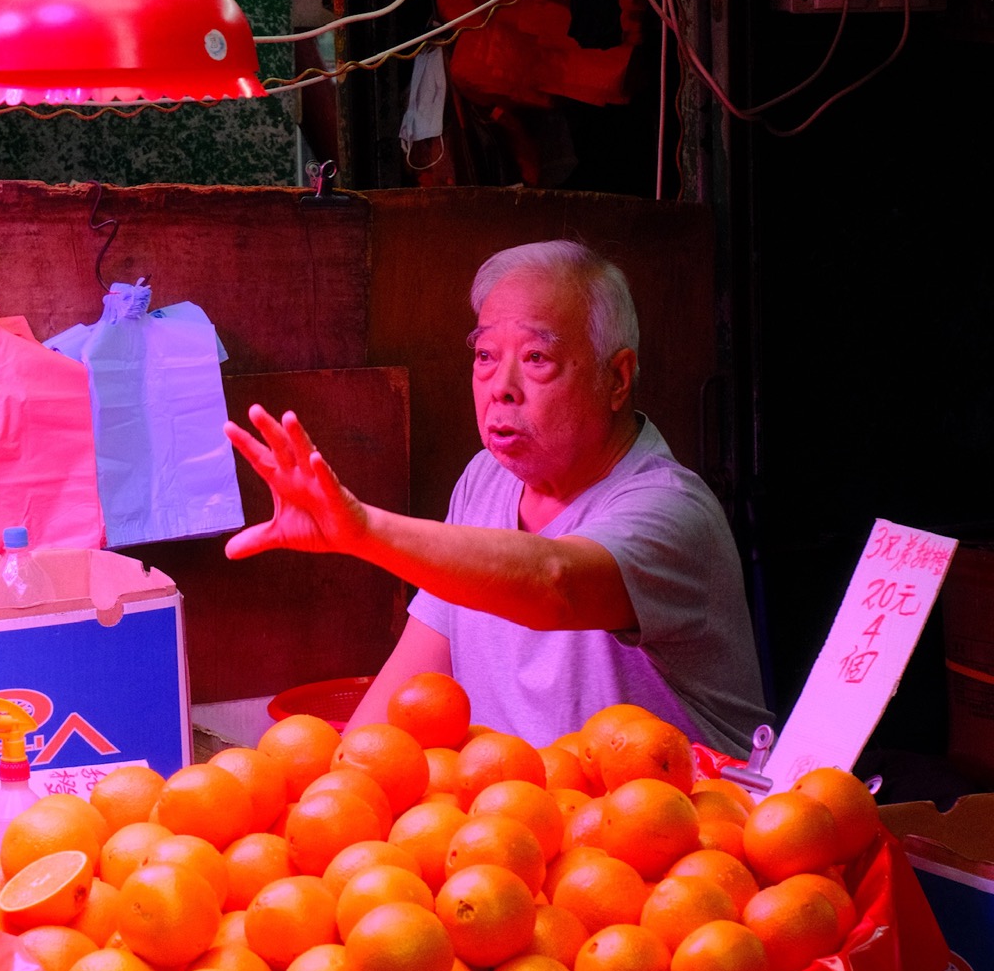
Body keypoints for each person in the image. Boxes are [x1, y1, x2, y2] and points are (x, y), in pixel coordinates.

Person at [225, 238, 770, 757]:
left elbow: (557, 583)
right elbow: (410, 680)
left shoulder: (670, 508)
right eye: (486, 354)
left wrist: (362, 531)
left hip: (675, 831)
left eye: (537, 358)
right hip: (515, 827)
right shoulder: (485, 479)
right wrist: (335, 785)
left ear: (617, 378)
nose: (500, 386)